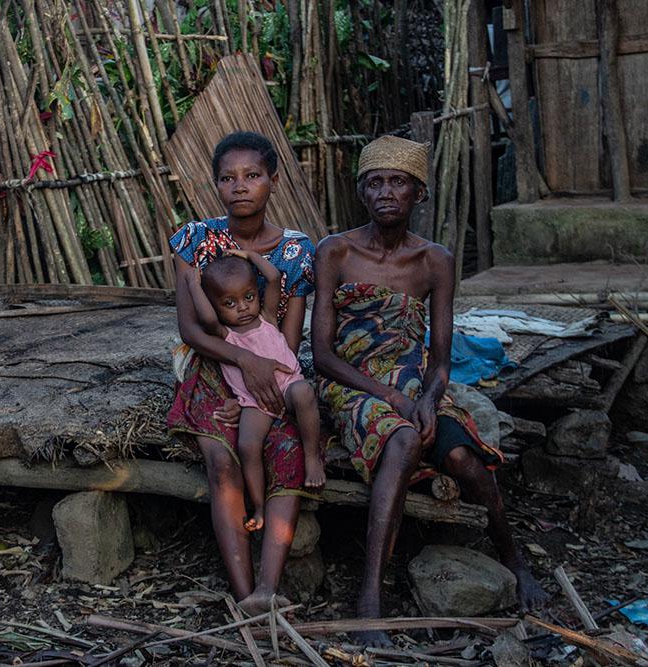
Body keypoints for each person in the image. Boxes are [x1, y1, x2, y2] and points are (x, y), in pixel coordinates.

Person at [310, 135, 549, 646]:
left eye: (398, 182)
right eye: (374, 183)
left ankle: (514, 559)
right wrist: (393, 399)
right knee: (401, 439)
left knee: (462, 457)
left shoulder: (435, 260)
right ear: (361, 191)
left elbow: (440, 359)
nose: (385, 193)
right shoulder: (335, 251)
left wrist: (427, 397)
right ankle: (370, 598)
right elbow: (323, 356)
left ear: (419, 193)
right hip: (352, 386)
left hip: (415, 383)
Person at [168, 131, 316, 614]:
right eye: (228, 178)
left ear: (273, 180)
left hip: (273, 367)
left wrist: (262, 374)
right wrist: (241, 363)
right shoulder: (195, 240)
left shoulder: (294, 252)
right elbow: (192, 331)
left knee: (288, 449)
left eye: (252, 175)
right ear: (215, 185)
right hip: (212, 366)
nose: (240, 186)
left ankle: (268, 590)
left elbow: (287, 339)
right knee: (221, 461)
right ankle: (242, 593)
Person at [183, 249, 325, 532]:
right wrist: (192, 284)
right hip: (254, 402)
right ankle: (259, 507)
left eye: (248, 297)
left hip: (287, 387)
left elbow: (272, 276)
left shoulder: (268, 317)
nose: (243, 307)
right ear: (217, 307)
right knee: (248, 446)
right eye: (229, 303)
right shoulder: (226, 336)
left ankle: (312, 459)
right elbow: (207, 319)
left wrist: (248, 255)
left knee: (305, 393)